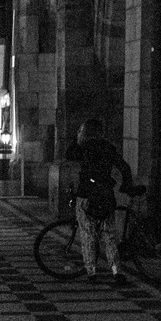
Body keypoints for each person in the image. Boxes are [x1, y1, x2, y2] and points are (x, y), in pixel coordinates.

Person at [65, 117, 136, 283]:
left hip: (86, 197)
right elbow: (125, 167)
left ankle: (92, 272)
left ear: (85, 133)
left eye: (80, 131)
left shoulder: (84, 148)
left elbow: (69, 154)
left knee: (88, 234)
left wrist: (77, 139)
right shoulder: (108, 148)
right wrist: (126, 186)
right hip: (105, 196)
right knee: (109, 235)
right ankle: (116, 271)